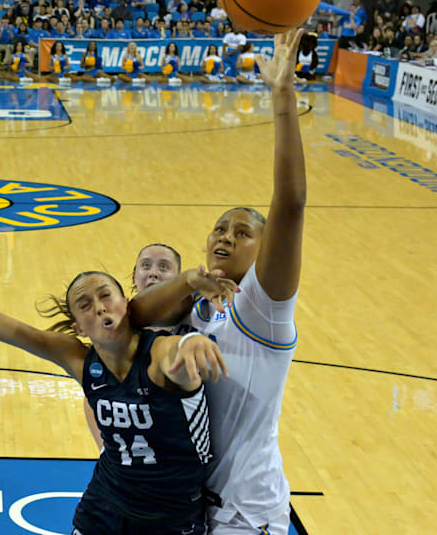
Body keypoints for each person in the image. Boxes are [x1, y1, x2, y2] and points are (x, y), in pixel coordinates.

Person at [0, 199, 231, 535]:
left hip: (171, 517)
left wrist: (192, 343)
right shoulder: (79, 358)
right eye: (85, 304)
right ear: (77, 326)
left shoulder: (159, 355)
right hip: (104, 507)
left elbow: (177, 353)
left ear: (127, 303)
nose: (99, 307)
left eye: (106, 295)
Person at [130, 29, 308, 535]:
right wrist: (188, 281)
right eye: (219, 229)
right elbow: (133, 315)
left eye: (243, 232)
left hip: (248, 516)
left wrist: (282, 96)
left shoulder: (262, 308)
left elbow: (291, 207)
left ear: (263, 248)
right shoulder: (198, 307)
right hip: (192, 508)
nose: (225, 238)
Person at [83, 243, 183, 448]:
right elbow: (94, 395)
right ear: (135, 276)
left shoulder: (194, 322)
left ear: (178, 279)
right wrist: (105, 450)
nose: (153, 273)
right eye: (146, 266)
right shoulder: (118, 330)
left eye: (164, 267)